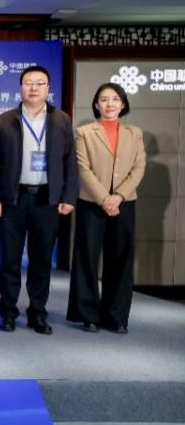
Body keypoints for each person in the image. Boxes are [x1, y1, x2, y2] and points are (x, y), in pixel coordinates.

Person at [0, 65, 77, 334]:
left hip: (47, 200)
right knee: (10, 260)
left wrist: (69, 196)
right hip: (13, 200)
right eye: (28, 83)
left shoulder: (61, 119)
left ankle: (38, 313)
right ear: (21, 87)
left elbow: (70, 162)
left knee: (41, 261)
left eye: (40, 83)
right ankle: (8, 312)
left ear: (48, 88)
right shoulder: (5, 120)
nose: (34, 88)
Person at [66, 82, 146, 334]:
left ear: (123, 104)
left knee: (121, 259)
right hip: (92, 203)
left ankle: (116, 316)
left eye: (115, 99)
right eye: (104, 99)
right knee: (87, 258)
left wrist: (118, 197)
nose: (109, 104)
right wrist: (104, 198)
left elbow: (139, 168)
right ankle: (88, 314)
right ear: (96, 104)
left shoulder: (135, 133)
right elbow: (82, 168)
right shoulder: (84, 132)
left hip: (124, 204)